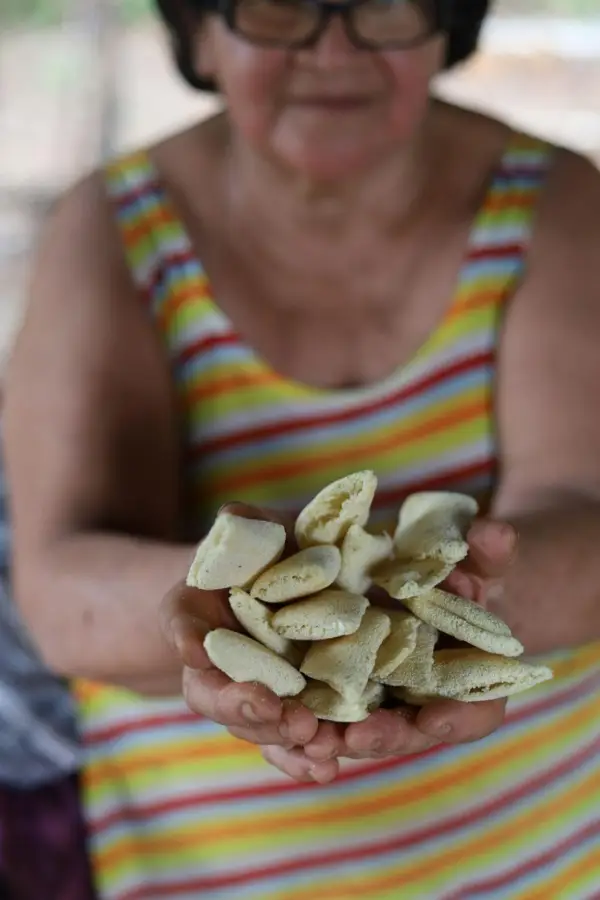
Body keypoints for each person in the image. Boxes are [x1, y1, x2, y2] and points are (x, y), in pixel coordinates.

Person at [4, 0, 600, 896]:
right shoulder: (112, 231)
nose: (333, 47)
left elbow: (586, 520)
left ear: (448, 21)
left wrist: (435, 613)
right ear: (200, 30)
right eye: (278, 5)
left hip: (553, 859)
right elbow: (59, 594)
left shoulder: (556, 201)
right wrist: (241, 617)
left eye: (387, 4)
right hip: (214, 873)